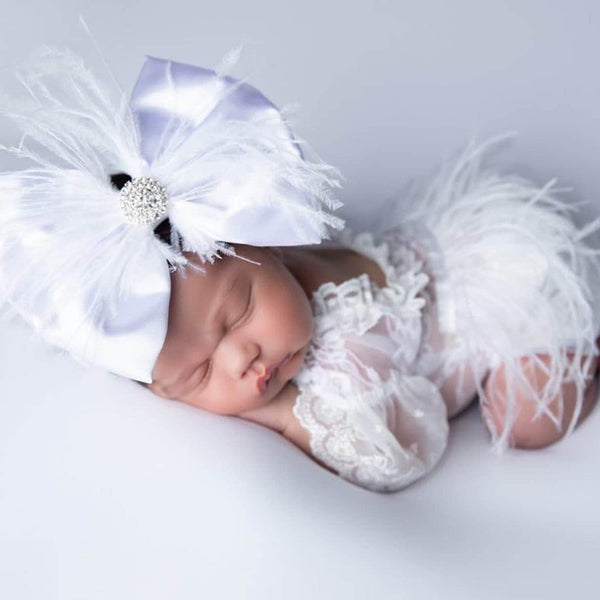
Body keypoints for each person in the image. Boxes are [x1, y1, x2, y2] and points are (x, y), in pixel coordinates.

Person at [2, 48, 600, 493]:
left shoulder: (342, 358)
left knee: (528, 423)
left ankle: (578, 327)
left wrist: (280, 414)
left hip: (503, 273)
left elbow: (402, 455)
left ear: (269, 246)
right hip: (445, 253)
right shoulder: (269, 290)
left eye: (236, 314)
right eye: (200, 375)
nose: (241, 361)